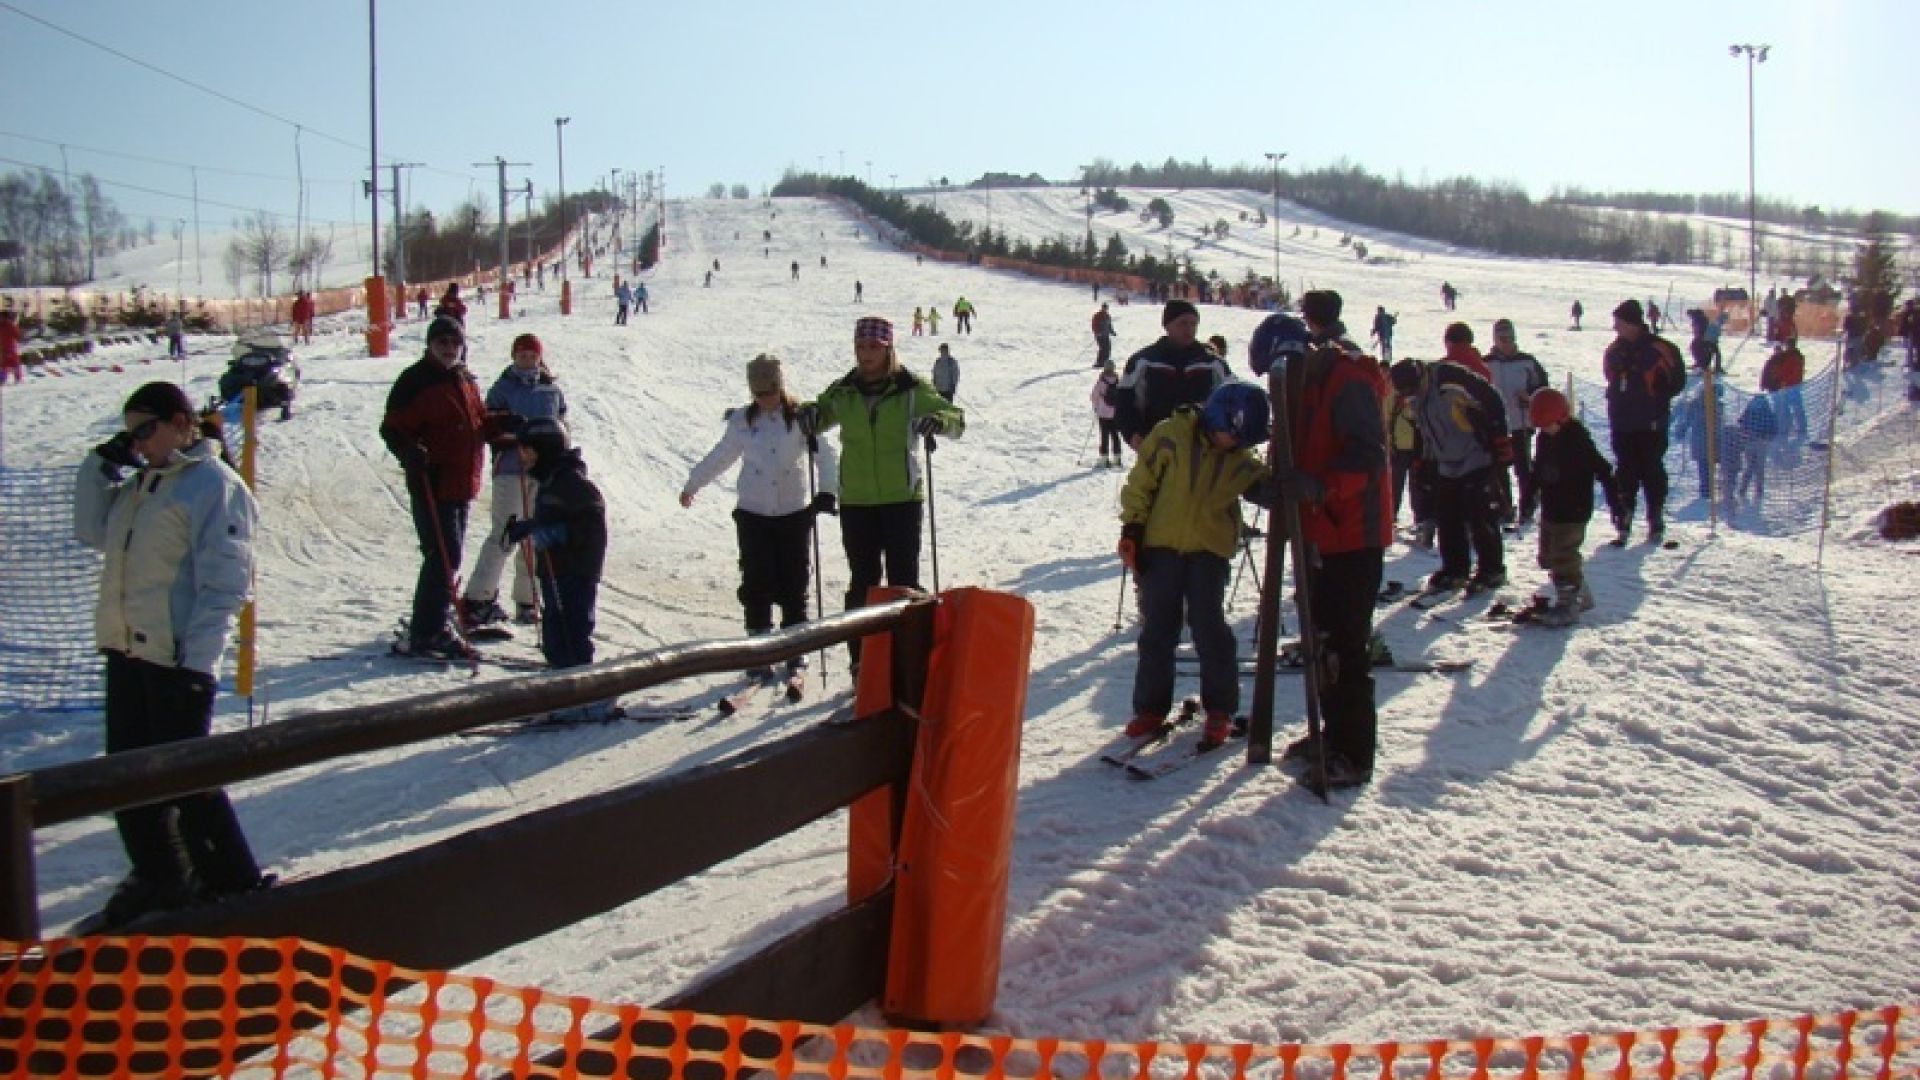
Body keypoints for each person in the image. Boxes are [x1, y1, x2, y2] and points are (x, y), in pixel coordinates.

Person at [72, 380, 271, 928]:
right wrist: (99, 466)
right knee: (128, 779)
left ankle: (233, 881)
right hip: (128, 650)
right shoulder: (143, 486)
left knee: (187, 782)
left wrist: (196, 661)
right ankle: (161, 874)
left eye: (146, 429)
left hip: (175, 659)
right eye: (129, 432)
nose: (138, 443)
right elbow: (91, 530)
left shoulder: (212, 485)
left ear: (182, 423)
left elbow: (227, 584)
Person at [1260, 297, 1394, 789]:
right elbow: (1300, 450)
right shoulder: (1304, 386)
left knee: (1345, 645)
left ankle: (1353, 753)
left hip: (1353, 532)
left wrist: (1319, 486)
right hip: (1318, 530)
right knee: (1319, 640)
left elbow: (1367, 456)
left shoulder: (1349, 378)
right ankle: (1330, 734)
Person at [797, 317, 965, 668]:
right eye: (860, 347)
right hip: (857, 499)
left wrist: (938, 421)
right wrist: (809, 414)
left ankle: (909, 659)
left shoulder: (910, 388)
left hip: (902, 498)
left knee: (903, 581)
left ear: (889, 348)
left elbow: (954, 417)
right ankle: (862, 662)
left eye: (873, 347)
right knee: (863, 581)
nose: (865, 354)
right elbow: (821, 414)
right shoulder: (843, 390)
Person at [1118, 381, 1276, 751]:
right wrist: (1133, 528)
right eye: (1230, 435)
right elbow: (1141, 482)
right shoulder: (1171, 435)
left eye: (1242, 441)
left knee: (1210, 628)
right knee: (1158, 629)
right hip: (1162, 547)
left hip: (1209, 550)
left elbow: (1262, 483)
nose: (1232, 444)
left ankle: (1220, 709)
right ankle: (1150, 709)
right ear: (1216, 416)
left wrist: (1276, 486)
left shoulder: (1240, 458)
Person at [680, 354, 838, 675]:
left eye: (770, 391)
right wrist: (692, 484)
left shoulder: (801, 418)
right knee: (756, 577)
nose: (765, 399)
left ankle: (796, 644)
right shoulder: (742, 421)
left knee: (794, 577)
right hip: (753, 511)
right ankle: (759, 646)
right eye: (758, 393)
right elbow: (721, 456)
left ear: (781, 387)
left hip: (794, 509)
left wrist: (826, 492)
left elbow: (825, 455)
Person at [380, 316, 514, 658]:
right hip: (432, 480)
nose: (448, 349)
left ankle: (433, 620)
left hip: (462, 480)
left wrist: (502, 427)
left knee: (446, 556)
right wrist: (409, 451)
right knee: (443, 554)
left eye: (454, 343)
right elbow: (393, 427)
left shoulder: (464, 379)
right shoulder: (415, 381)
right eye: (442, 343)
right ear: (430, 345)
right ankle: (428, 629)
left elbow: (478, 423)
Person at [462, 333, 566, 628]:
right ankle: (479, 596)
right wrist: (513, 435)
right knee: (506, 532)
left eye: (532, 356)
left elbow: (561, 426)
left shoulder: (551, 391)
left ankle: (527, 599)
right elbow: (490, 429)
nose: (527, 361)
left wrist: (555, 451)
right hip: (512, 468)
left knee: (536, 535)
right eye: (521, 356)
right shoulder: (503, 388)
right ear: (513, 357)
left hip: (542, 471)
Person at [504, 418, 609, 709]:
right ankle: (560, 679)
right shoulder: (551, 479)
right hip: (555, 567)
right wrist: (529, 527)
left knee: (572, 626)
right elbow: (552, 516)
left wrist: (556, 534)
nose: (522, 458)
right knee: (554, 624)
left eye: (528, 452)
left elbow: (591, 526)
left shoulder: (573, 483)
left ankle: (580, 690)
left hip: (576, 570)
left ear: (546, 450)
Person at [1392, 348, 1510, 592]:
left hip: (1475, 454)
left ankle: (1492, 569)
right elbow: (1422, 429)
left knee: (1480, 516)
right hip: (1445, 460)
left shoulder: (1449, 378)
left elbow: (1491, 397)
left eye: (1412, 390)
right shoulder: (1414, 397)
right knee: (1448, 517)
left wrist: (1499, 436)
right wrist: (1421, 461)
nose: (1409, 396)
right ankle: (1455, 569)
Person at [1524, 388, 1615, 627]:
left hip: (1573, 510)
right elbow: (1537, 469)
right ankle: (1580, 594)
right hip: (1551, 508)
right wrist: (1529, 496)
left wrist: (1616, 501)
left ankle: (1569, 603)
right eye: (1541, 426)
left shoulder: (1578, 440)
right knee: (1548, 557)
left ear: (1562, 417)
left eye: (1548, 425)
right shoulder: (1545, 438)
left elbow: (1603, 469)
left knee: (1564, 557)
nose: (1545, 430)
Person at [1602, 298, 1687, 544]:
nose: (1615, 328)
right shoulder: (1614, 350)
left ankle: (1655, 517)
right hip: (1621, 422)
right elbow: (1608, 374)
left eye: (1619, 322)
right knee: (1625, 470)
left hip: (1651, 422)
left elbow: (1677, 380)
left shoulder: (1660, 349)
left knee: (1651, 470)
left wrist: (1660, 392)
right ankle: (1624, 516)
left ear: (1632, 323)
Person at [1112, 300, 1231, 450]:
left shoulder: (1213, 363)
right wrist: (1132, 433)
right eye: (1182, 323)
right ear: (1167, 326)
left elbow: (1231, 400)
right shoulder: (1144, 361)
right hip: (1157, 447)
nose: (1189, 329)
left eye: (1193, 324)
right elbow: (1124, 402)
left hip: (1203, 449)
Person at [1484, 318, 1549, 527]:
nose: (1506, 342)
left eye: (1510, 338)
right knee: (1498, 467)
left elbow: (1543, 387)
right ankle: (1505, 508)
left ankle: (1528, 505)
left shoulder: (1527, 361)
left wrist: (1529, 395)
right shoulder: (1487, 362)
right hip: (1497, 424)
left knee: (1523, 466)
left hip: (1521, 421)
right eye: (1502, 338)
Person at [1728, 392, 1778, 507]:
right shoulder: (1767, 411)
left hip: (1749, 442)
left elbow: (1741, 422)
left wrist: (1745, 434)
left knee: (1750, 466)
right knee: (1760, 468)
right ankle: (1759, 491)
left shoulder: (1749, 410)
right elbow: (1774, 428)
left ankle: (1743, 489)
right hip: (1762, 442)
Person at [1091, 361, 1122, 468]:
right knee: (1115, 435)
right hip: (1115, 413)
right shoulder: (1118, 381)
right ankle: (1117, 458)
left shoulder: (1101, 382)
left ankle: (1104, 459)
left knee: (1104, 435)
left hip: (1103, 413)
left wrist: (1096, 406)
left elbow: (1094, 396)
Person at [0, 309, 20, 383]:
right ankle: (2, 379)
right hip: (3, 347)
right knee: (3, 364)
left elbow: (17, 335)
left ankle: (17, 378)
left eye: (1, 316)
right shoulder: (4, 325)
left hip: (10, 347)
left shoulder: (10, 325)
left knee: (13, 363)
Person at [1092, 303, 1114, 368]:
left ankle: (1105, 362)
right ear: (1102, 308)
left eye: (1106, 308)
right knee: (1102, 348)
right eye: (1104, 308)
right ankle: (1099, 362)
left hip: (1106, 335)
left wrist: (1112, 331)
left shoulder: (1108, 316)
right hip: (1100, 335)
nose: (1105, 309)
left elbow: (1109, 325)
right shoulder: (1097, 315)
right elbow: (1094, 325)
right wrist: (1097, 332)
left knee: (1108, 348)